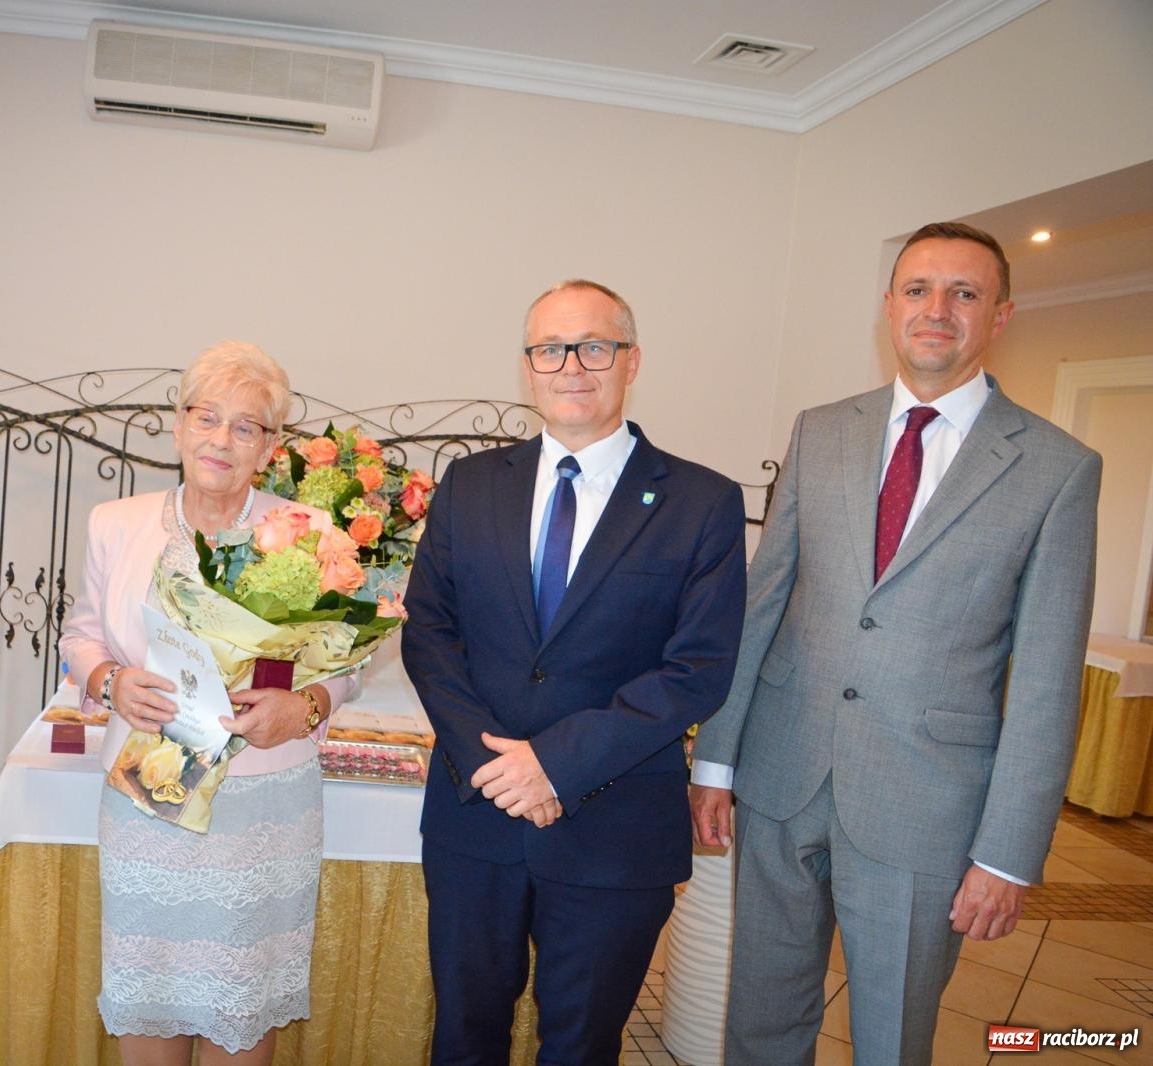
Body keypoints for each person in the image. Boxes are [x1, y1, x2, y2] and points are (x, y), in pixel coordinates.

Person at [690, 222, 1101, 1065]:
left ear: (1001, 314)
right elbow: (762, 604)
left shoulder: (1058, 468)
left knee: (891, 1039)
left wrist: (1009, 854)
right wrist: (714, 761)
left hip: (928, 808)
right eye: (917, 290)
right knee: (760, 1022)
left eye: (965, 293)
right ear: (888, 308)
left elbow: (1049, 681)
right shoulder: (822, 430)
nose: (936, 310)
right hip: (781, 778)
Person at [401, 280, 748, 1065]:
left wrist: (554, 765)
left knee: (583, 1046)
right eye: (550, 349)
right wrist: (499, 766)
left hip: (614, 828)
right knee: (463, 1036)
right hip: (474, 816)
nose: (572, 366)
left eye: (595, 346)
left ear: (632, 361)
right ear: (528, 368)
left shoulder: (701, 501)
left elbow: (697, 668)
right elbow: (430, 631)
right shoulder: (472, 484)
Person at [59, 341, 351, 1065]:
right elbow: (81, 633)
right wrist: (110, 683)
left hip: (262, 804)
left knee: (239, 1009)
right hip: (147, 800)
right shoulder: (115, 523)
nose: (221, 440)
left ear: (269, 446)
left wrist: (305, 708)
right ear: (179, 422)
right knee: (148, 999)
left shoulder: (310, 535)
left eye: (246, 426)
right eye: (207, 417)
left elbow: (348, 664)